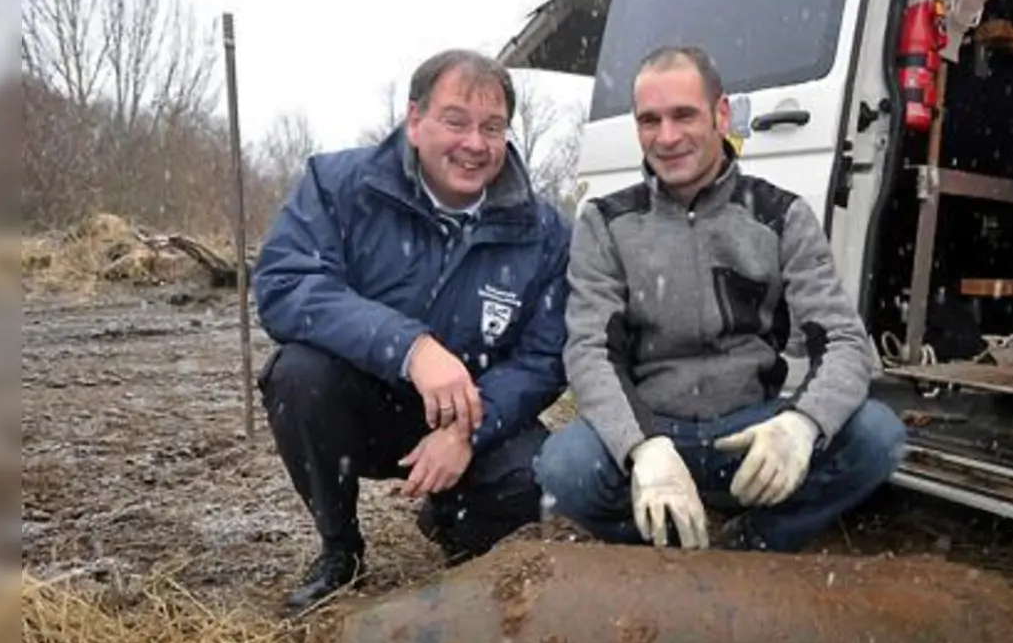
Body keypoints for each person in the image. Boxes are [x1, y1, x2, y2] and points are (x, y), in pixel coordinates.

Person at [535, 45, 906, 552]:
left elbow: (844, 340)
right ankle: (665, 544)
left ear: (721, 115)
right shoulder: (604, 222)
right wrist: (641, 447)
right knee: (564, 467)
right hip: (656, 428)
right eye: (650, 120)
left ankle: (750, 545)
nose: (666, 137)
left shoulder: (782, 214)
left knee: (878, 438)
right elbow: (588, 352)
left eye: (684, 114)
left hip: (749, 428)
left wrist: (801, 425)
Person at [253, 49, 571, 613]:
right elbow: (286, 284)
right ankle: (339, 548)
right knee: (298, 377)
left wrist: (469, 431)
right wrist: (409, 349)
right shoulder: (338, 185)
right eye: (456, 121)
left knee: (542, 481)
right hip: (363, 405)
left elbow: (544, 357)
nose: (475, 144)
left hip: (468, 413)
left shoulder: (544, 232)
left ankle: (451, 522)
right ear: (414, 118)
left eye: (492, 127)